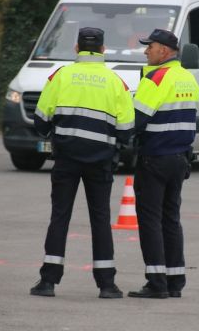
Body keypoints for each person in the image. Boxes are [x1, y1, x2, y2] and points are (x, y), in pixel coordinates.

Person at [30, 27, 134, 299]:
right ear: (103, 50)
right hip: (100, 162)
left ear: (76, 49)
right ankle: (107, 285)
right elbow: (126, 130)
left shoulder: (61, 76)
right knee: (100, 219)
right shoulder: (116, 82)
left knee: (60, 216)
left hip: (65, 159)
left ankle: (48, 281)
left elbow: (40, 121)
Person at [128, 29, 199, 299]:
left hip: (155, 157)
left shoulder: (156, 78)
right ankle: (175, 280)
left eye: (151, 47)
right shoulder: (187, 78)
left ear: (165, 51)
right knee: (171, 219)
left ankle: (156, 282)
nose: (146, 51)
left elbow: (136, 118)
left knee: (150, 221)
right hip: (180, 158)